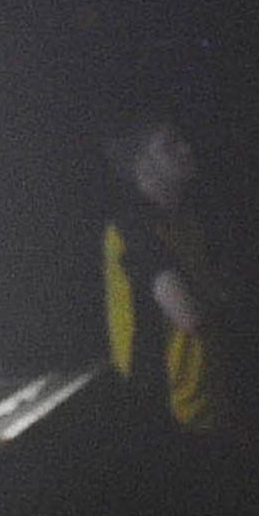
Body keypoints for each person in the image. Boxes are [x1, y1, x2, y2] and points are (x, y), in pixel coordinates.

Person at [106, 114, 225, 433]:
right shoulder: (133, 229)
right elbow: (188, 313)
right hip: (165, 414)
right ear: (140, 164)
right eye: (170, 145)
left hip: (206, 403)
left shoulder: (186, 221)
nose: (186, 149)